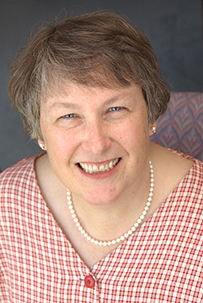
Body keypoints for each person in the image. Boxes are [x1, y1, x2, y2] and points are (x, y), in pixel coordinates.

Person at [0, 10, 202, 302]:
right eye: (69, 115)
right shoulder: (6, 207)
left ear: (151, 114)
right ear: (40, 132)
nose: (96, 144)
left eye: (115, 109)